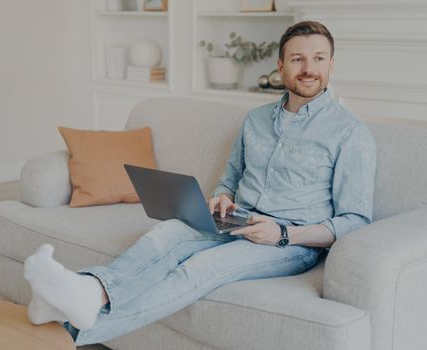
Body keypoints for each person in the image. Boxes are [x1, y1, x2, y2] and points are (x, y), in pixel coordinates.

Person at [23, 20, 377, 346]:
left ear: (331, 64)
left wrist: (282, 234)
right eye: (298, 59)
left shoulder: (350, 133)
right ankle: (88, 292)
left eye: (318, 58)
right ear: (281, 66)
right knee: (163, 237)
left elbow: (355, 221)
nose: (308, 68)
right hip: (236, 218)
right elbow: (230, 179)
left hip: (289, 241)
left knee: (196, 270)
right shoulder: (255, 120)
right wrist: (221, 197)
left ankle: (64, 333)